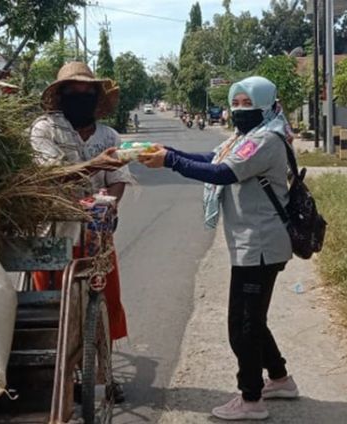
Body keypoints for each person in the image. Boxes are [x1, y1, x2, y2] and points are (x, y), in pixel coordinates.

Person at [138, 76, 298, 421]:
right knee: (252, 319)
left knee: (242, 326)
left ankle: (251, 400)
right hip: (254, 243)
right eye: (236, 103)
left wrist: (170, 161)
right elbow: (211, 157)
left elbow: (222, 173)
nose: (240, 110)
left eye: (248, 103)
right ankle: (281, 379)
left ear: (268, 104)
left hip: (259, 245)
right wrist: (166, 152)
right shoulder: (246, 137)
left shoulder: (265, 140)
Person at [29, 61, 133, 402]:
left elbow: (117, 181)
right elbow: (50, 175)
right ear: (61, 95)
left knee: (106, 298)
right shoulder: (44, 130)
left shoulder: (109, 136)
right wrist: (93, 166)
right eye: (73, 91)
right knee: (51, 303)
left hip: (96, 232)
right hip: (54, 230)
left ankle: (104, 373)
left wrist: (109, 204)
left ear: (96, 97)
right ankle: (56, 373)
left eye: (87, 92)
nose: (80, 96)